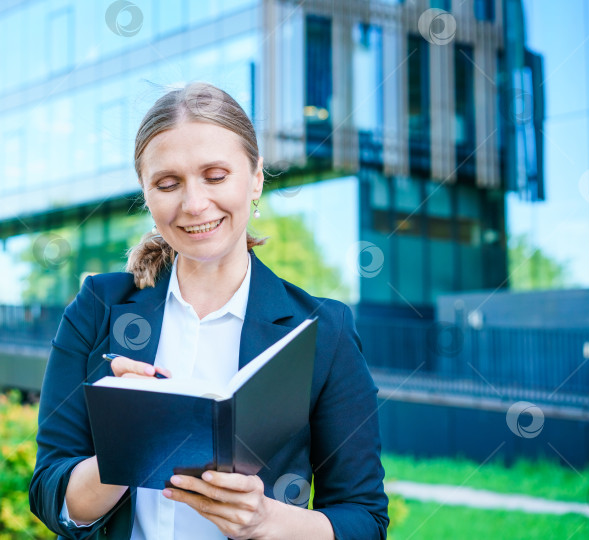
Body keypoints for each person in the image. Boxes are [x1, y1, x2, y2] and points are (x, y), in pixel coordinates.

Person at [29, 82, 389, 540]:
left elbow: (364, 520)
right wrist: (132, 440)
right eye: (167, 183)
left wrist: (265, 520)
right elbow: (49, 494)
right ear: (145, 191)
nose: (194, 204)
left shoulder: (324, 331)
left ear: (256, 177)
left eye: (215, 176)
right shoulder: (97, 308)